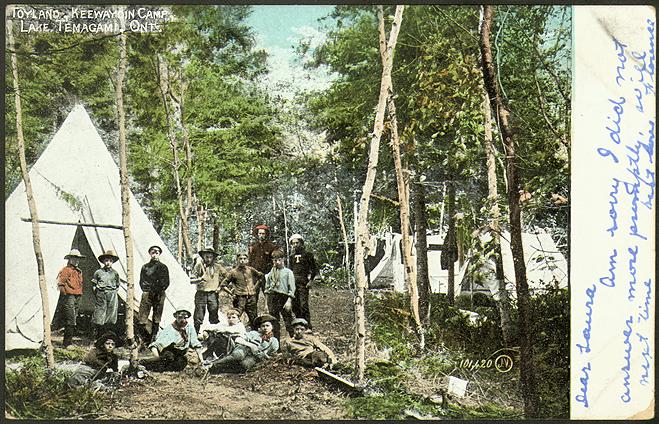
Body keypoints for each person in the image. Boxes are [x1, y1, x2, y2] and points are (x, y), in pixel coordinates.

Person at [208, 314, 279, 373]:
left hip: (254, 356)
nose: (265, 328)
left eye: (267, 326)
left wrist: (263, 355)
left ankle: (222, 371)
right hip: (244, 349)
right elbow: (238, 339)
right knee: (238, 355)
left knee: (245, 365)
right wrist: (251, 345)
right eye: (263, 326)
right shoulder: (253, 333)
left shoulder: (274, 341)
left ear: (272, 327)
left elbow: (271, 355)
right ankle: (213, 366)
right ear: (260, 328)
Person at [137, 245, 170, 345]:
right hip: (148, 293)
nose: (154, 255)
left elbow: (167, 281)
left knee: (157, 316)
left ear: (159, 254)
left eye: (157, 253)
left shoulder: (163, 267)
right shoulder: (145, 267)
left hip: (159, 293)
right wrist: (146, 290)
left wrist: (160, 290)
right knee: (143, 315)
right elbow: (141, 281)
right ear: (150, 254)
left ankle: (153, 338)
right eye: (153, 253)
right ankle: (142, 339)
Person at [190, 247, 227, 335]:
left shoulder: (218, 267)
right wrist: (200, 279)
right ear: (203, 256)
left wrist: (220, 287)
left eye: (211, 257)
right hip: (201, 294)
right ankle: (195, 335)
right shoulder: (199, 265)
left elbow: (227, 277)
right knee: (198, 316)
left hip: (213, 294)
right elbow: (191, 280)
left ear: (213, 257)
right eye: (207, 257)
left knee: (214, 314)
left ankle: (213, 336)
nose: (209, 259)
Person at [221, 252, 263, 328]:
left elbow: (260, 276)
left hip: (251, 298)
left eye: (244, 259)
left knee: (254, 318)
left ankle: (254, 336)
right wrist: (231, 293)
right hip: (239, 298)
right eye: (240, 259)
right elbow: (223, 285)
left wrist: (255, 287)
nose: (242, 261)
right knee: (235, 317)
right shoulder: (233, 272)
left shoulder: (251, 270)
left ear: (247, 260)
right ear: (237, 260)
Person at [54, 249, 86, 348]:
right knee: (70, 318)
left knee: (74, 318)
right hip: (69, 296)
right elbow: (61, 284)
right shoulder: (66, 270)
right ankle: (67, 343)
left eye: (77, 259)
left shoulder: (79, 271)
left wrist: (79, 294)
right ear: (70, 259)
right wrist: (66, 295)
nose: (76, 261)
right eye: (74, 258)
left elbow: (80, 284)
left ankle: (69, 342)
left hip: (77, 296)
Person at [288, 234, 319, 329]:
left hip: (303, 283)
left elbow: (314, 269)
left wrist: (310, 281)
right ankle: (299, 324)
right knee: (295, 305)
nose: (295, 245)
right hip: (294, 283)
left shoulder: (307, 255)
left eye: (297, 243)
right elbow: (289, 270)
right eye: (293, 243)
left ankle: (308, 325)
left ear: (301, 243)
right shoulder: (291, 256)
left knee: (303, 304)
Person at [264, 249, 296, 342]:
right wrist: (266, 304)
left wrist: (289, 301)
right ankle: (276, 344)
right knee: (274, 321)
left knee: (288, 321)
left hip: (284, 297)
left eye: (279, 260)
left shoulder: (288, 272)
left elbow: (292, 288)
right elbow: (267, 289)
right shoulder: (271, 273)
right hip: (273, 297)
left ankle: (295, 341)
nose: (277, 262)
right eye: (274, 260)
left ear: (283, 260)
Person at [248, 224, 279, 310]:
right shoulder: (253, 247)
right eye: (260, 234)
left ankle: (270, 316)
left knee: (269, 296)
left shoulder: (271, 247)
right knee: (253, 296)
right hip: (255, 275)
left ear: (266, 234)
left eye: (263, 234)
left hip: (267, 275)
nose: (261, 235)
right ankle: (253, 319)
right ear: (257, 235)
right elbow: (250, 262)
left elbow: (274, 262)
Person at [91, 249, 121, 339]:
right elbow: (94, 285)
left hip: (112, 294)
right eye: (107, 260)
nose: (108, 263)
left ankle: (108, 336)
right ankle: (98, 335)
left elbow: (117, 285)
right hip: (101, 294)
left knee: (111, 314)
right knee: (99, 314)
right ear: (103, 261)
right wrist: (97, 293)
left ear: (112, 262)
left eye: (110, 261)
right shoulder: (98, 272)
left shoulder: (115, 273)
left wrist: (113, 293)